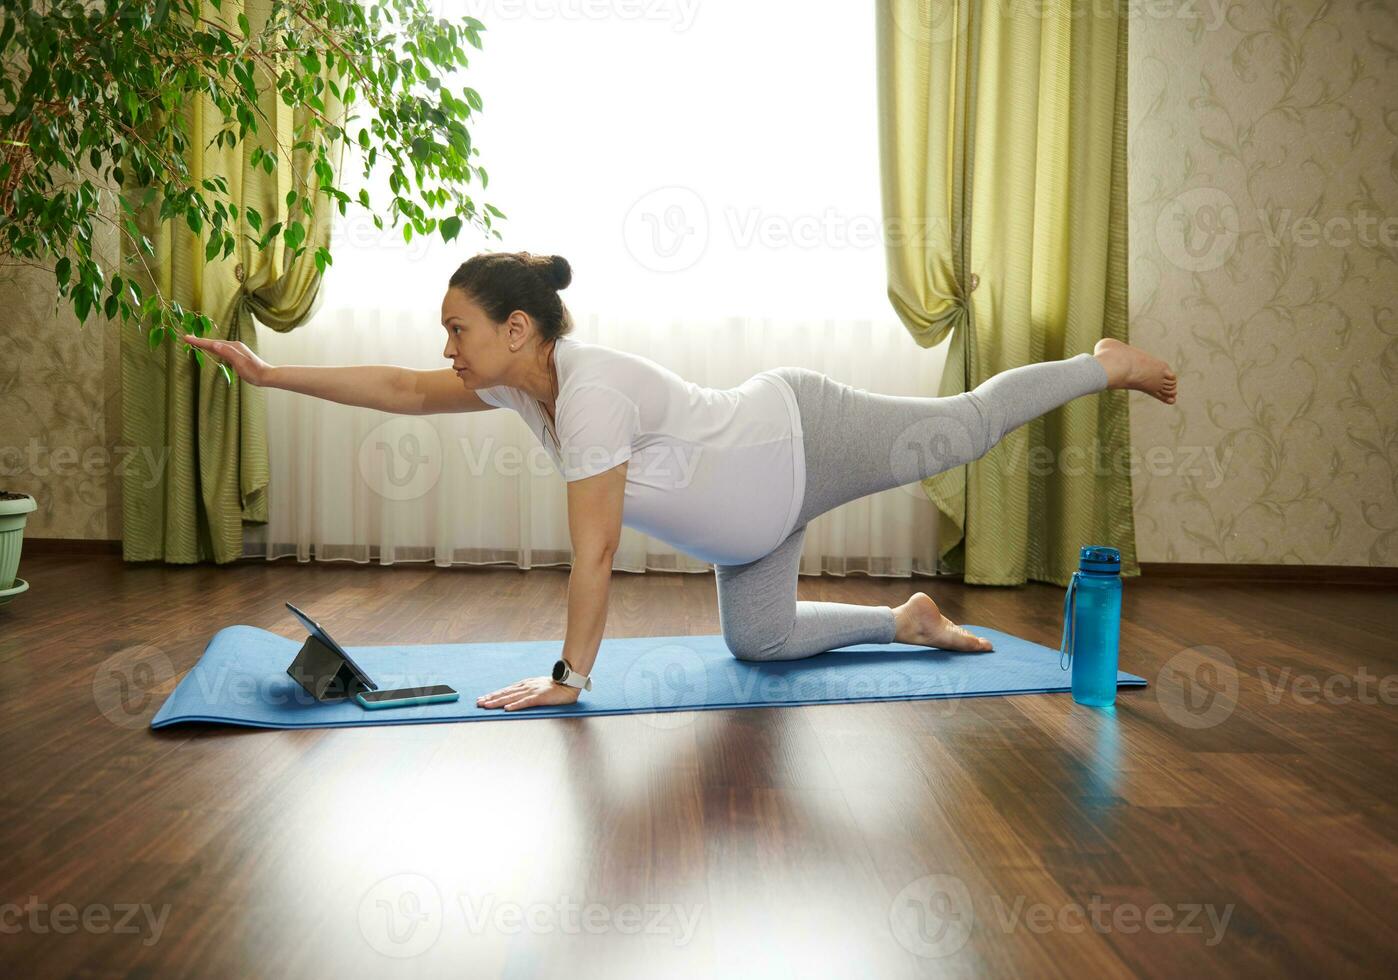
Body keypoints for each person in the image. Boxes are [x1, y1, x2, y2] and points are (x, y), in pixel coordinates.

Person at [184, 249, 1177, 712]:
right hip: (751, 529)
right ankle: (907, 618)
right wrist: (275, 372)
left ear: (516, 330)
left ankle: (1106, 362)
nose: (445, 346)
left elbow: (599, 551)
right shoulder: (514, 389)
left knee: (960, 432)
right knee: (762, 640)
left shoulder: (590, 395)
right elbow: (401, 388)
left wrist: (570, 679)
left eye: (459, 328)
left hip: (803, 436)